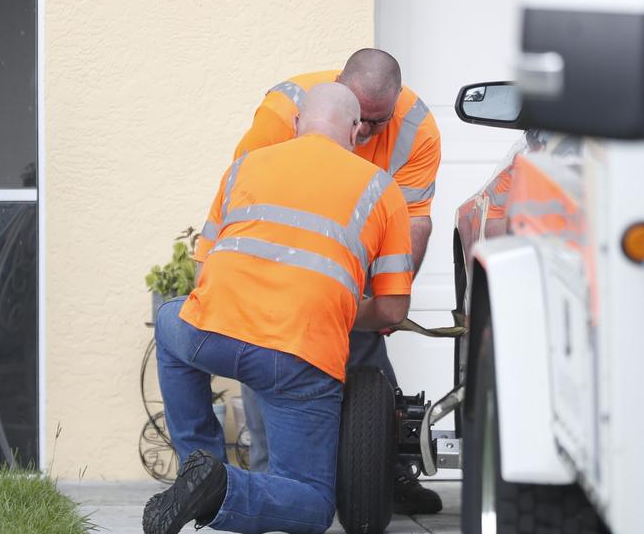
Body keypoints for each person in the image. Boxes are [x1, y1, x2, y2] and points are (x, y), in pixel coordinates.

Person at [144, 83, 413, 534]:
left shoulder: (243, 167)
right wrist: (343, 312)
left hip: (212, 330)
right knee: (311, 502)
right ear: (354, 131)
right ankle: (216, 484)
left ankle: (200, 463)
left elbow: (201, 272)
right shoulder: (384, 191)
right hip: (297, 356)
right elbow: (390, 310)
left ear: (295, 124)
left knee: (172, 322)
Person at [232, 48, 444, 514]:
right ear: (337, 91)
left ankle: (386, 474)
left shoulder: (417, 130)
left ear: (395, 104)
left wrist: (384, 301)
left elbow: (413, 224)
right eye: (359, 120)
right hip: (278, 259)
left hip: (351, 262)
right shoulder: (282, 112)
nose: (364, 132)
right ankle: (270, 484)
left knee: (366, 350)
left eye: (377, 121)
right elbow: (243, 198)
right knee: (267, 353)